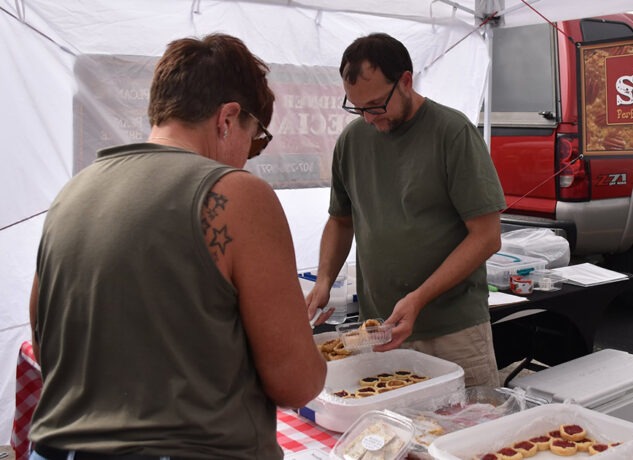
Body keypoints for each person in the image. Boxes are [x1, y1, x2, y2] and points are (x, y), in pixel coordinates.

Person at [28, 33, 326, 460]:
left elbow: (47, 349)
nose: (249, 156)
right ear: (227, 118)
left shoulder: (70, 195)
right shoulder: (237, 195)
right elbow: (295, 384)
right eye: (256, 139)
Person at [307, 33, 506, 387]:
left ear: (406, 81)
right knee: (389, 434)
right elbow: (340, 221)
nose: (367, 118)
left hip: (452, 331)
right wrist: (324, 281)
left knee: (468, 431)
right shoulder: (352, 142)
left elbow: (487, 237)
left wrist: (418, 299)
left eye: (375, 105)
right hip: (380, 330)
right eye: (357, 108)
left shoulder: (452, 133)